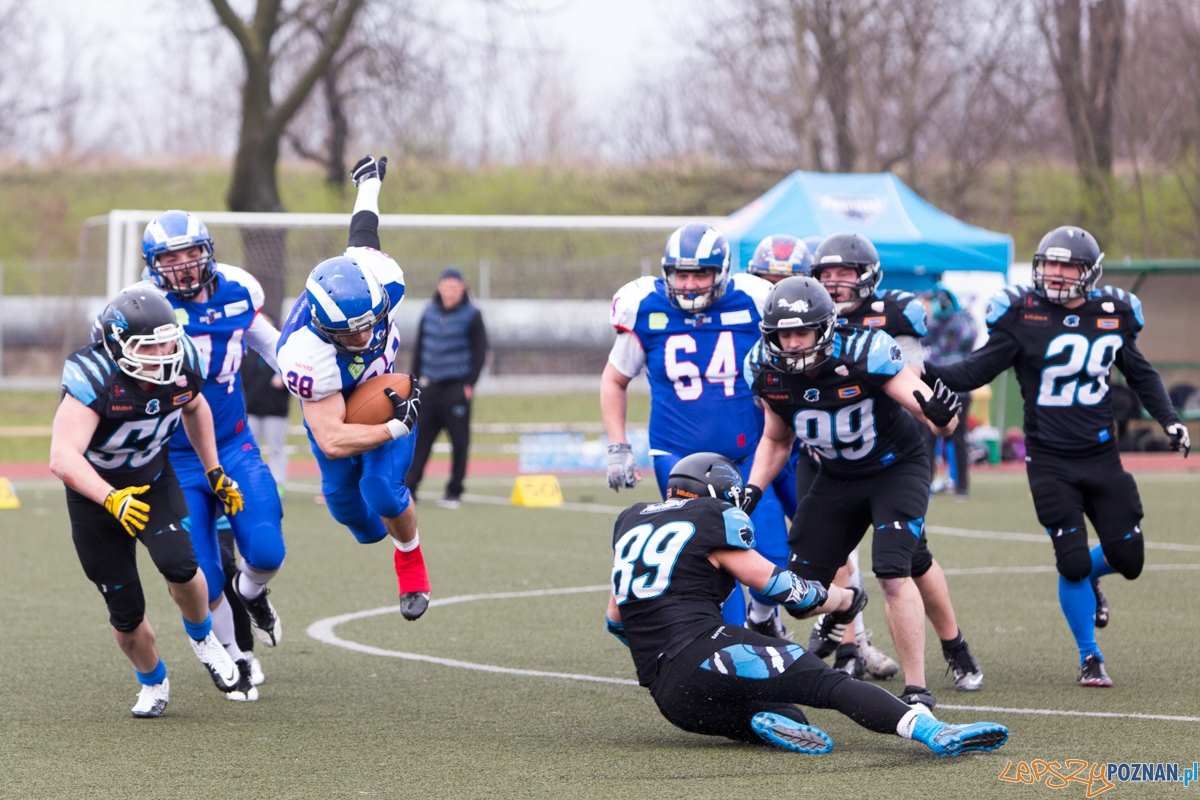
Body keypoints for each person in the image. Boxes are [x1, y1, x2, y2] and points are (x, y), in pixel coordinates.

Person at [605, 452, 1009, 757]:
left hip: (668, 694)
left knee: (792, 718)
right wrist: (843, 598)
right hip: (708, 649)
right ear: (719, 494)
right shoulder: (712, 517)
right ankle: (929, 729)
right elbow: (781, 587)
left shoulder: (631, 520)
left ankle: (752, 723)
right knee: (829, 684)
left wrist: (669, 657)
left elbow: (616, 620)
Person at [922, 226, 1190, 687]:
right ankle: (1090, 658)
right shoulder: (1023, 315)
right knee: (1071, 564)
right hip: (1049, 459)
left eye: (1068, 265)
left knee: (1130, 558)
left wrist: (1169, 418)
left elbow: (1140, 373)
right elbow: (974, 370)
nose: (1056, 274)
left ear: (1089, 272)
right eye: (1049, 264)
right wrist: (920, 371)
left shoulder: (1112, 312)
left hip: (1102, 456)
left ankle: (1091, 575)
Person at [743, 276, 983, 711]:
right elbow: (777, 440)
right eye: (785, 334)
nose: (793, 344)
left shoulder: (864, 350)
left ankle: (917, 691)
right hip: (835, 475)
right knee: (799, 597)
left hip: (895, 469)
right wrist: (752, 491)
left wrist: (945, 419)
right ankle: (848, 602)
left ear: (826, 328)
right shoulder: (763, 366)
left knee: (894, 571)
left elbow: (932, 415)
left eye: (803, 332)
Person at [50, 288, 248, 716]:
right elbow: (62, 457)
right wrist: (110, 498)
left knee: (181, 564)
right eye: (149, 345)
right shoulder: (96, 377)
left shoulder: (184, 360)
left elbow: (195, 408)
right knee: (124, 612)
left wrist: (213, 470)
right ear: (118, 345)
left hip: (152, 480)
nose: (162, 353)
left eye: (167, 341)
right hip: (95, 495)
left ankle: (202, 637)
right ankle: (154, 681)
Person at [600, 222, 790, 634]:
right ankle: (731, 644)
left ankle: (761, 621)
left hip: (746, 453)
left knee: (774, 560)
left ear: (721, 273)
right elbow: (614, 380)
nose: (688, 284)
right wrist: (618, 445)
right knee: (714, 548)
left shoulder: (753, 300)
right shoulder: (645, 307)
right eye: (680, 274)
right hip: (678, 457)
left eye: (699, 273)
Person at [276, 154, 431, 621]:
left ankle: (411, 562)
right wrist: (393, 433)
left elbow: (363, 233)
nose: (364, 336)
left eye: (371, 324)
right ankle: (382, 533)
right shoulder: (304, 354)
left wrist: (368, 184)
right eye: (352, 332)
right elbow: (332, 437)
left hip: (384, 397)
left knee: (382, 490)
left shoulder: (381, 278)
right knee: (352, 512)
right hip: (335, 415)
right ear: (325, 326)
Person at [138, 209, 286, 694]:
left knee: (266, 549)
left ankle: (252, 594)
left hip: (234, 445)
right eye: (170, 257)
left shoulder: (238, 290)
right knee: (200, 576)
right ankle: (237, 658)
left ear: (208, 253)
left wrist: (314, 379)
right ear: (153, 264)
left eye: (190, 253)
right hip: (173, 459)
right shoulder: (145, 307)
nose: (182, 265)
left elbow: (272, 345)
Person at [805, 232, 931, 679]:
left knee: (904, 566)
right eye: (826, 274)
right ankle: (851, 645)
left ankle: (942, 658)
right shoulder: (798, 323)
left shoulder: (891, 317)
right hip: (822, 455)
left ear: (867, 276)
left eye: (845, 273)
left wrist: (940, 413)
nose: (835, 282)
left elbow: (913, 384)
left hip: (886, 453)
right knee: (812, 573)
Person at [404, 267, 488, 509]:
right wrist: (414, 382)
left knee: (459, 442)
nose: (450, 292)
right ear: (440, 287)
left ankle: (454, 491)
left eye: (455, 287)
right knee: (420, 440)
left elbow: (480, 350)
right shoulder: (428, 312)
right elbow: (418, 348)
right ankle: (410, 487)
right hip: (429, 387)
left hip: (456, 388)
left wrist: (469, 383)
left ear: (462, 288)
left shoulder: (472, 315)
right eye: (446, 286)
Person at [919, 283, 977, 497]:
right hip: (933, 387)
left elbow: (968, 338)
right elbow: (922, 338)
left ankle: (962, 485)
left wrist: (954, 315)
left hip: (959, 389)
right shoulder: (933, 323)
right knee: (928, 439)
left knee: (958, 438)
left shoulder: (962, 320)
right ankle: (926, 485)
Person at [240, 312, 292, 495]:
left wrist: (284, 380)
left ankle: (279, 485)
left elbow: (297, 374)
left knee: (276, 449)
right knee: (249, 449)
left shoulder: (282, 348)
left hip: (275, 411)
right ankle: (250, 484)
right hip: (251, 409)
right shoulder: (245, 350)